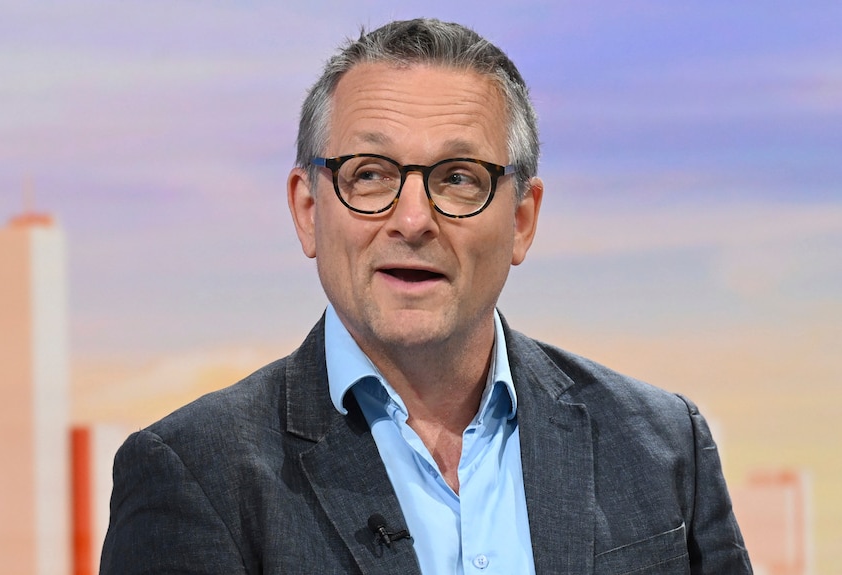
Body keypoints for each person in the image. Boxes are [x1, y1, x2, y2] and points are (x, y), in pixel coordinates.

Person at [100, 18, 752, 574]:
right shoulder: (191, 473)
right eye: (370, 174)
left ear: (522, 218)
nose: (412, 219)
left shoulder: (664, 444)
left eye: (459, 178)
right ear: (307, 209)